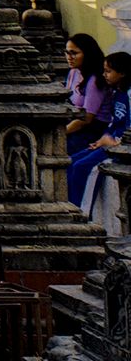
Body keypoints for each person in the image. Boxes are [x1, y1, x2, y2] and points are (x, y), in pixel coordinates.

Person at [79, 51, 131, 229]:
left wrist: (112, 142)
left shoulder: (129, 95)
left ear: (122, 73)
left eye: (108, 71)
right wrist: (102, 139)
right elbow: (113, 122)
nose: (104, 75)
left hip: (119, 149)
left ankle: (82, 213)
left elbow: (127, 128)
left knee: (83, 167)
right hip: (108, 142)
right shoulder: (117, 93)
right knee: (73, 160)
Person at [66, 32, 110, 207]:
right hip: (73, 125)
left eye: (74, 53)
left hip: (90, 131)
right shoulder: (73, 74)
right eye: (67, 52)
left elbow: (87, 118)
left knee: (72, 161)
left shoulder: (95, 80)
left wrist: (61, 132)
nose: (69, 57)